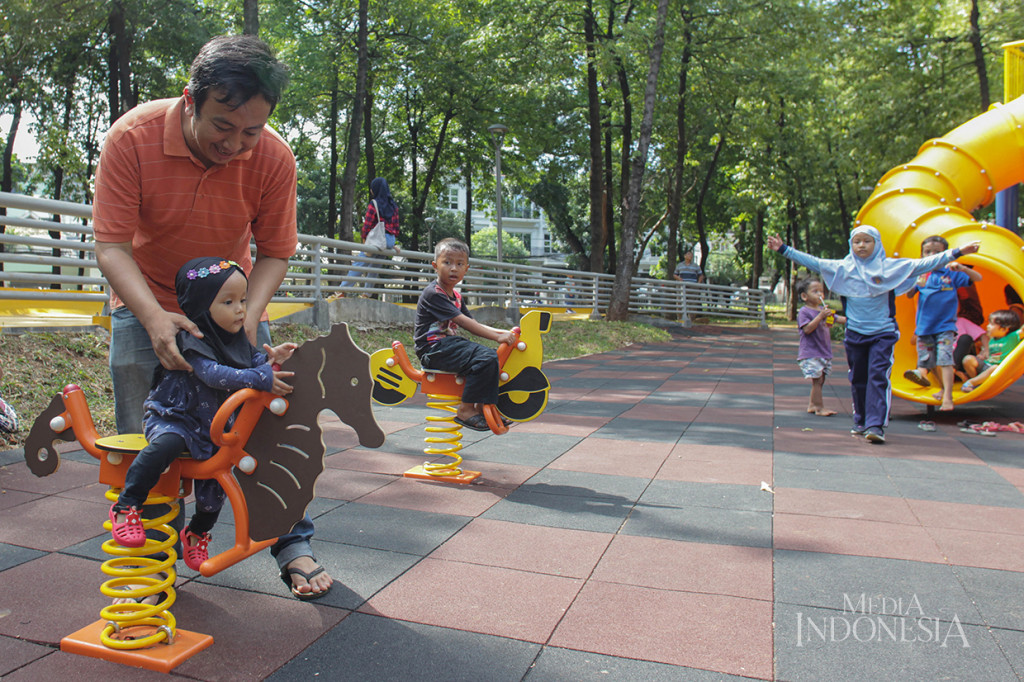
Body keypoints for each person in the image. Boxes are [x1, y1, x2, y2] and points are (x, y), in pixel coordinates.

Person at [92, 34, 332, 600]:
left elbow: (275, 250)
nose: (237, 145)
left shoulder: (272, 156)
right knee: (148, 434)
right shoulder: (133, 138)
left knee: (269, 418)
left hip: (232, 305)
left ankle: (292, 540)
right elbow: (111, 246)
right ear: (190, 100)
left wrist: (249, 314)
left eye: (252, 130)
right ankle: (153, 557)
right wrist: (153, 319)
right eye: (223, 126)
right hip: (145, 295)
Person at [109, 258, 297, 572]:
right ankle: (127, 504)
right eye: (228, 302)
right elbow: (213, 375)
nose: (240, 309)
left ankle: (197, 532)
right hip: (175, 417)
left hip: (212, 429)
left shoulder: (238, 340)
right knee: (163, 447)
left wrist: (272, 362)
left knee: (217, 488)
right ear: (201, 306)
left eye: (243, 300)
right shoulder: (191, 339)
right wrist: (261, 377)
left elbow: (255, 367)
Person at [767, 226, 980, 444]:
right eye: (857, 241)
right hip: (855, 333)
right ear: (851, 244)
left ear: (877, 244)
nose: (861, 245)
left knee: (878, 376)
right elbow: (812, 261)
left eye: (867, 241)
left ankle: (876, 425)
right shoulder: (842, 269)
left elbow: (925, 263)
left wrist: (958, 252)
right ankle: (860, 420)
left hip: (883, 333)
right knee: (858, 378)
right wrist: (783, 248)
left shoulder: (891, 268)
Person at [414, 238, 516, 431]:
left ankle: (483, 407)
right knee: (486, 357)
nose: (453, 268)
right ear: (435, 266)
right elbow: (464, 323)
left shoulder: (456, 295)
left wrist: (503, 332)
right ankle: (466, 410)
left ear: (466, 269)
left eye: (459, 264)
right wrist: (497, 336)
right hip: (433, 349)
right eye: (447, 262)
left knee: (491, 358)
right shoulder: (433, 293)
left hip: (446, 346)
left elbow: (473, 322)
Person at [902, 236, 982, 411]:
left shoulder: (951, 274)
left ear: (945, 254)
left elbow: (978, 278)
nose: (932, 255)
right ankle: (926, 376)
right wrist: (914, 282)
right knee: (926, 359)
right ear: (922, 255)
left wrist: (962, 268)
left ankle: (947, 397)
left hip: (945, 327)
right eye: (927, 252)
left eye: (937, 252)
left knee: (945, 360)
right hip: (924, 327)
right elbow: (908, 295)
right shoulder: (922, 275)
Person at [340, 177, 401, 297]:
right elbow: (396, 227)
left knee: (360, 263)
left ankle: (342, 290)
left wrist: (364, 239)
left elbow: (367, 225)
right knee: (375, 267)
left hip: (377, 241)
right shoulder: (394, 206)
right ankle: (366, 294)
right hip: (389, 241)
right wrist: (391, 243)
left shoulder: (374, 204)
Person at [795, 278, 846, 416]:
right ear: (804, 296)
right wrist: (820, 316)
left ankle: (812, 404)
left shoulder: (822, 310)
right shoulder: (804, 312)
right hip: (811, 352)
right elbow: (807, 329)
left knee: (821, 380)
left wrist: (854, 321)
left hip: (823, 351)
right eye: (815, 291)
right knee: (817, 380)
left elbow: (838, 319)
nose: (820, 295)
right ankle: (819, 408)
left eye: (822, 292)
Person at [961, 309, 1022, 393]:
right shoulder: (992, 339)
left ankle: (971, 382)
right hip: (986, 366)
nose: (988, 326)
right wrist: (982, 355)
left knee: (995, 368)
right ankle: (977, 382)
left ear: (1004, 329)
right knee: (968, 359)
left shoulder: (1012, 337)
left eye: (992, 324)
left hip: (999, 371)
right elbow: (988, 353)